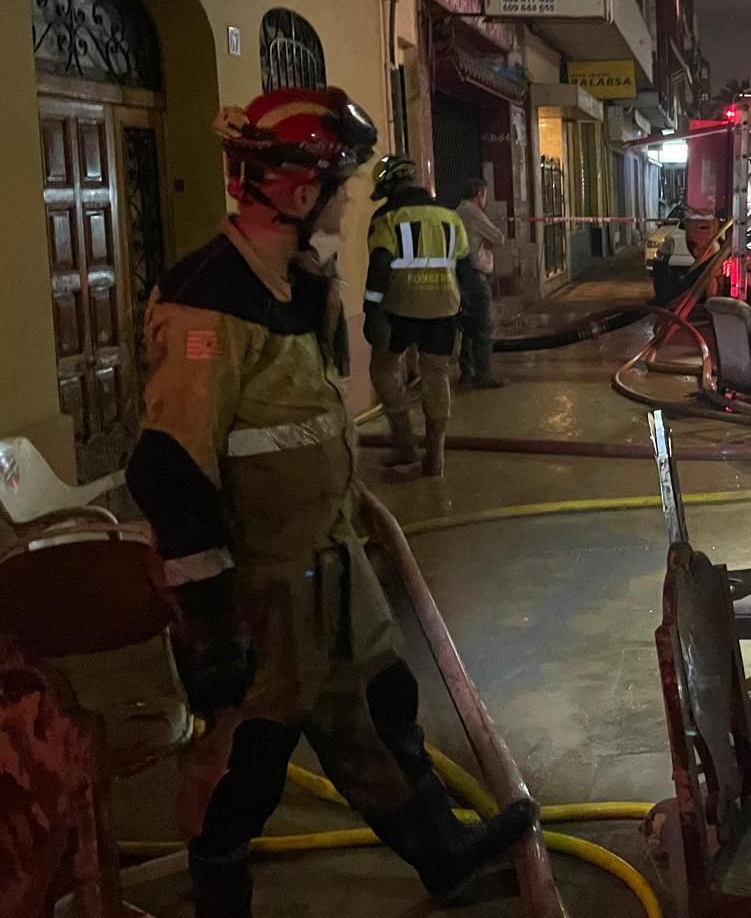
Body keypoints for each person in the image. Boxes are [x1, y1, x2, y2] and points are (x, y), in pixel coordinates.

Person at [124, 90, 532, 918]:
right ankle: (219, 889)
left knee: (379, 713)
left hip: (335, 565)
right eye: (339, 188)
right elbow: (171, 467)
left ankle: (444, 857)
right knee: (251, 755)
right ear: (300, 194)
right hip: (265, 592)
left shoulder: (297, 285)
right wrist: (208, 619)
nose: (347, 206)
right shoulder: (209, 301)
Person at [365, 156, 470, 476]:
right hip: (444, 309)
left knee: (383, 368)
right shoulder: (450, 217)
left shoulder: (386, 217)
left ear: (389, 184)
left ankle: (405, 443)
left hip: (401, 309)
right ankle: (435, 457)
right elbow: (463, 264)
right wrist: (462, 306)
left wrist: (371, 310)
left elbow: (380, 265)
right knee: (436, 376)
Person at [454, 177, 506, 389]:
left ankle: (467, 371)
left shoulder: (457, 211)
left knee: (467, 327)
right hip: (474, 275)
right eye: (485, 195)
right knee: (483, 325)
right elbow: (498, 237)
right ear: (479, 194)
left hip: (459, 273)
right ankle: (483, 374)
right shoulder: (473, 213)